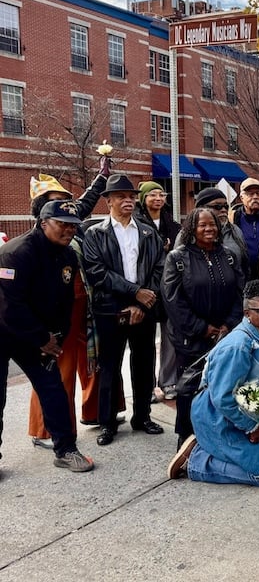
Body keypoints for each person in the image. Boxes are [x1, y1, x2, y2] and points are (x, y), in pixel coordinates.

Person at [0, 200, 95, 472]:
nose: (69, 231)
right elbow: (10, 307)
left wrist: (56, 337)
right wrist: (42, 337)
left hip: (37, 335)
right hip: (5, 331)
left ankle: (65, 450)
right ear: (43, 223)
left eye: (73, 226)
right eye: (62, 224)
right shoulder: (15, 253)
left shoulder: (67, 256)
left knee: (54, 391)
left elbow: (64, 303)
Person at [167, 280, 259, 485]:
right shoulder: (238, 347)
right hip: (217, 415)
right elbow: (222, 398)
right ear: (247, 313)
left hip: (247, 411)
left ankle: (218, 449)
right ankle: (196, 460)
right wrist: (252, 427)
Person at [26, 169, 116, 448]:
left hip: (84, 307)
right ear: (42, 211)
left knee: (93, 363)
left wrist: (101, 178)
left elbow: (85, 203)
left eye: (66, 200)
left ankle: (94, 413)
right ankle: (47, 429)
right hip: (54, 315)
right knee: (57, 371)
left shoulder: (70, 231)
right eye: (56, 200)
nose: (65, 206)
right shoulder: (35, 244)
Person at [83, 174, 165, 446]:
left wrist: (141, 302)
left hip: (144, 310)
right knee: (109, 368)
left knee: (143, 364)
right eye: (121, 196)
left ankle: (142, 416)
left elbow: (159, 268)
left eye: (131, 196)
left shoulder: (147, 232)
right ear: (108, 201)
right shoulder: (95, 233)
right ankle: (107, 423)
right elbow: (97, 273)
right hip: (110, 311)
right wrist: (133, 294)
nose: (128, 200)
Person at [161, 207, 245, 449]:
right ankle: (186, 437)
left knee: (224, 386)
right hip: (192, 338)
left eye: (213, 225)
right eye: (202, 225)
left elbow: (240, 293)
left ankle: (220, 435)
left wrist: (229, 325)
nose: (209, 229)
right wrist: (203, 329)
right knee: (189, 388)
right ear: (192, 229)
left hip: (226, 334)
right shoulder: (177, 258)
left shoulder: (228, 255)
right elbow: (173, 301)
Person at [135, 181, 182, 402]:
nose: (158, 198)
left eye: (161, 194)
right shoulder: (135, 224)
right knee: (144, 342)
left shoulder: (173, 226)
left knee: (170, 338)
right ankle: (148, 386)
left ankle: (168, 381)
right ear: (143, 199)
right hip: (145, 288)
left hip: (169, 290)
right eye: (152, 195)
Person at [193, 187, 249, 276]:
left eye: (226, 206)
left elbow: (244, 266)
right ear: (201, 208)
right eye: (217, 207)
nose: (223, 210)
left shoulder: (236, 231)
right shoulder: (188, 234)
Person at [231, 178, 259, 280]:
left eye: (258, 193)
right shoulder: (232, 218)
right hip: (243, 276)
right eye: (250, 194)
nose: (255, 197)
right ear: (242, 198)